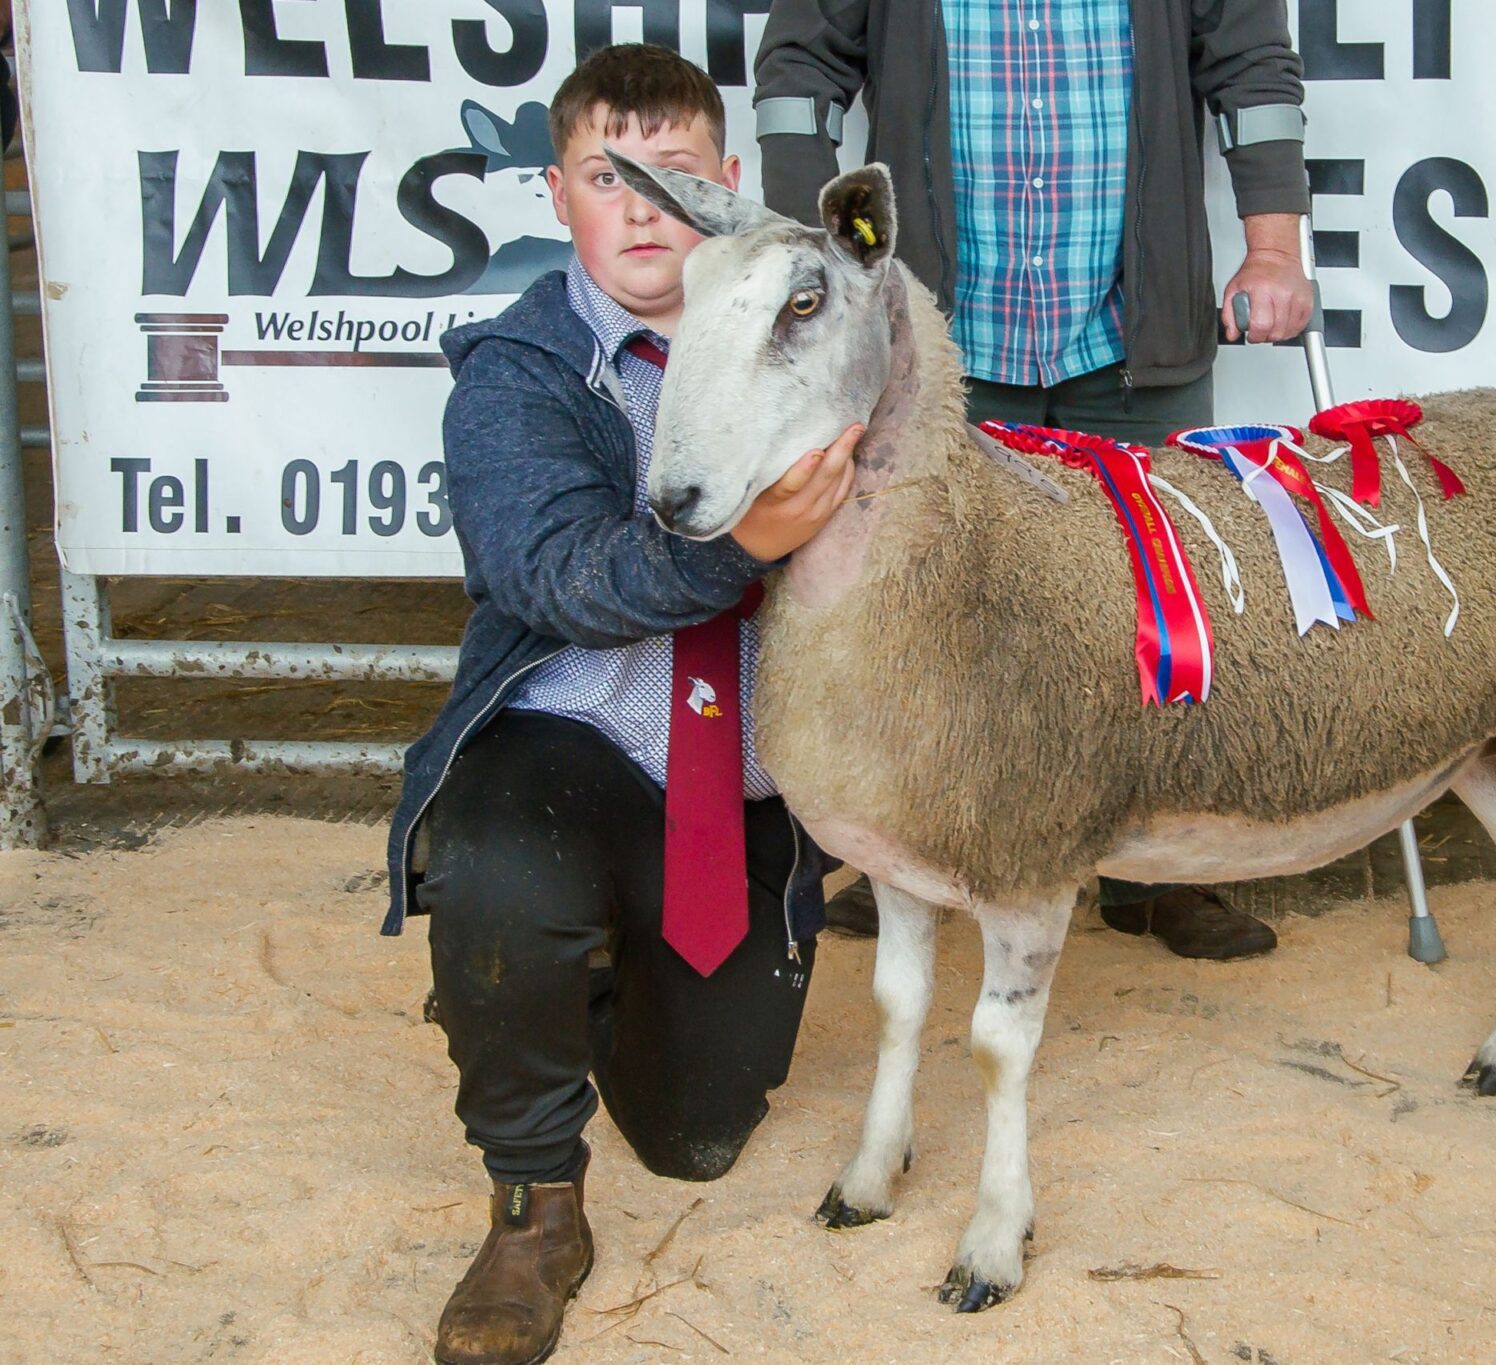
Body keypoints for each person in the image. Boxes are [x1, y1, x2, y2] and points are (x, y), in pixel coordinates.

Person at [380, 45, 861, 1365]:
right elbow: (550, 574)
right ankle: (534, 1202)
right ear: (556, 194)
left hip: (751, 768)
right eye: (608, 176)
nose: (644, 209)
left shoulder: (816, 330)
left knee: (698, 1138)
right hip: (576, 730)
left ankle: (582, 972)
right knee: (495, 867)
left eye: (676, 177)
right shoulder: (520, 368)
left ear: (730, 185)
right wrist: (742, 541)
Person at [753, 0, 1314, 961]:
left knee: (1161, 594)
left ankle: (1162, 877)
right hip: (946, 340)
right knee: (927, 615)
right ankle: (913, 855)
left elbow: (1254, 71)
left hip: (1133, 331)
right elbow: (798, 71)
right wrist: (822, 266)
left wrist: (1272, 249)